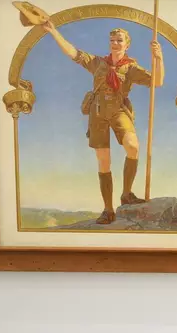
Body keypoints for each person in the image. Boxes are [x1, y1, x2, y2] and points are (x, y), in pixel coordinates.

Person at [42, 21, 165, 224]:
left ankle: (126, 194)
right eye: (112, 40)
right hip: (97, 112)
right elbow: (73, 53)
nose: (115, 43)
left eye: (119, 40)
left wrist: (159, 58)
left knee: (133, 146)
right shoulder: (98, 62)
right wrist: (54, 32)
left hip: (119, 110)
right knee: (104, 161)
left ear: (127, 44)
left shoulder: (131, 67)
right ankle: (108, 210)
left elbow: (157, 82)